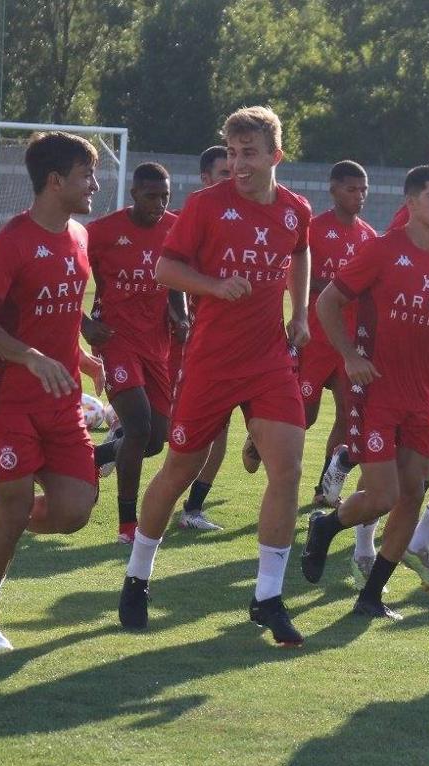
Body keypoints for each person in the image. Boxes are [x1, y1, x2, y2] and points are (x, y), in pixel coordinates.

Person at [117, 106, 312, 647]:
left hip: (270, 360)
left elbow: (300, 251)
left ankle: (268, 597)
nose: (238, 163)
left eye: (248, 153)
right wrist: (213, 285)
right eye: (232, 153)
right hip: (210, 363)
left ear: (276, 155)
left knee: (289, 470)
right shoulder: (205, 207)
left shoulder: (295, 209)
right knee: (179, 469)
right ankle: (137, 577)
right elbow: (165, 270)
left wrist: (298, 315)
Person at [300, 165, 429, 620]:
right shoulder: (382, 251)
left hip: (421, 397)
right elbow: (328, 301)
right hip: (374, 392)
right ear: (410, 203)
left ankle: (371, 596)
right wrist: (350, 355)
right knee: (385, 495)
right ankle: (326, 525)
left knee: (411, 494)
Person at [0, 131, 104, 650]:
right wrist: (29, 356)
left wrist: (80, 356)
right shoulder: (12, 242)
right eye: (87, 174)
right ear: (55, 180)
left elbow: (60, 308)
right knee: (18, 508)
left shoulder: (80, 236)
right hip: (9, 398)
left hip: (59, 397)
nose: (96, 183)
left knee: (74, 510)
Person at [83, 162, 180, 544]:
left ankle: (94, 459)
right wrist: (85, 325)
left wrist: (182, 314)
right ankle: (127, 524)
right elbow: (65, 274)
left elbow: (174, 278)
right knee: (138, 427)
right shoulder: (102, 232)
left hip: (157, 343)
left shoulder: (175, 228)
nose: (158, 203)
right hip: (115, 338)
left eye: (164, 196)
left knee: (156, 439)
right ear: (134, 194)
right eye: (151, 196)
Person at [291, 161, 376, 503]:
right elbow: (297, 276)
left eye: (363, 190)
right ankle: (260, 441)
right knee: (303, 416)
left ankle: (323, 489)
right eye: (351, 189)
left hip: (349, 342)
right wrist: (343, 287)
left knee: (346, 413)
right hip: (314, 337)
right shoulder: (313, 229)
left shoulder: (369, 236)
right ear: (333, 189)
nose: (359, 196)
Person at [172, 145, 233, 531]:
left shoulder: (248, 218)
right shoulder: (196, 216)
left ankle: (193, 508)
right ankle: (115, 446)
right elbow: (169, 273)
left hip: (234, 346)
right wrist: (181, 315)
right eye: (225, 172)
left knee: (220, 428)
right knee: (167, 430)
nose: (235, 176)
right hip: (191, 342)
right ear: (206, 179)